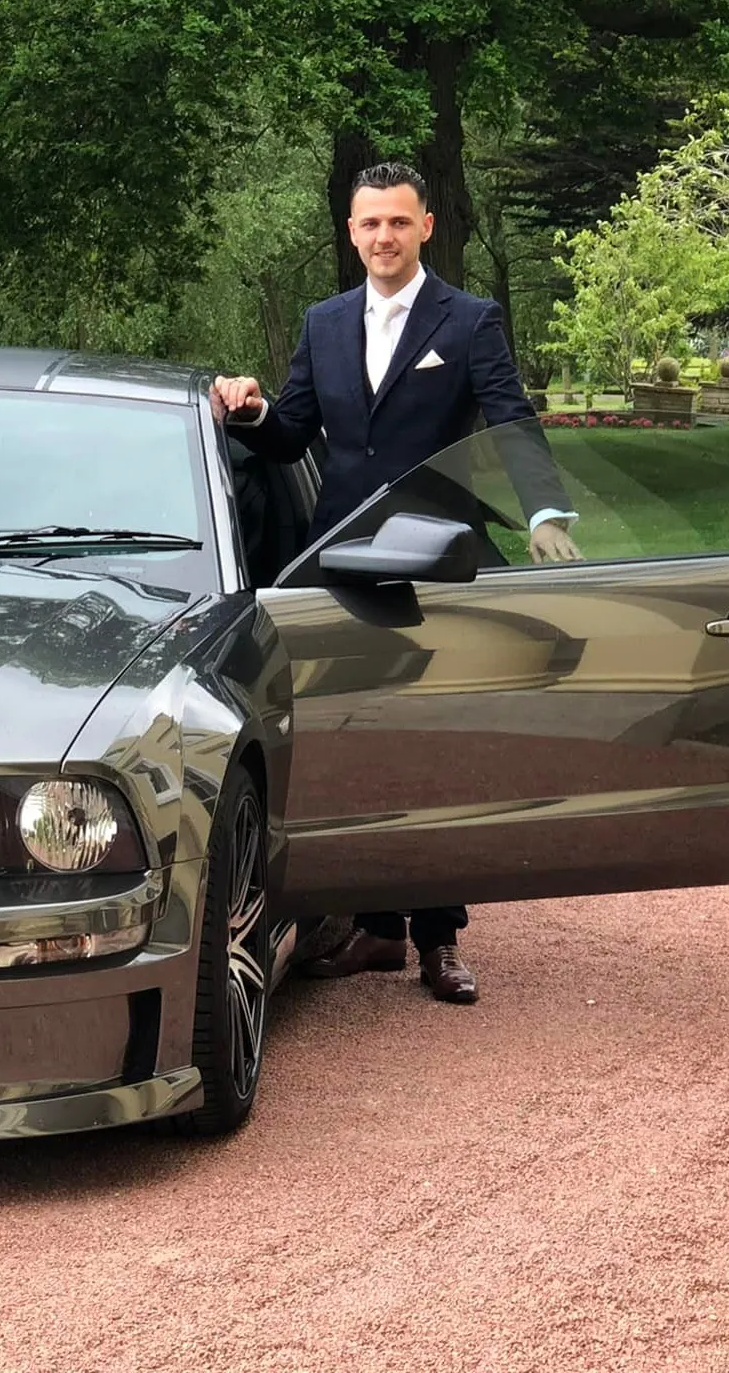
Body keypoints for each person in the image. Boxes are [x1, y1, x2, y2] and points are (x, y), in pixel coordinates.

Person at [211, 161, 582, 1005]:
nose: (384, 237)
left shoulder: (471, 320)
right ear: (352, 234)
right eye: (369, 224)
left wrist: (545, 514)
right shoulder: (325, 321)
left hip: (441, 561)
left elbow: (510, 418)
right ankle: (375, 928)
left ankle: (438, 940)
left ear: (425, 229)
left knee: (438, 742)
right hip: (344, 564)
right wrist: (251, 407)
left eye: (398, 223)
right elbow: (295, 432)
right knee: (360, 739)